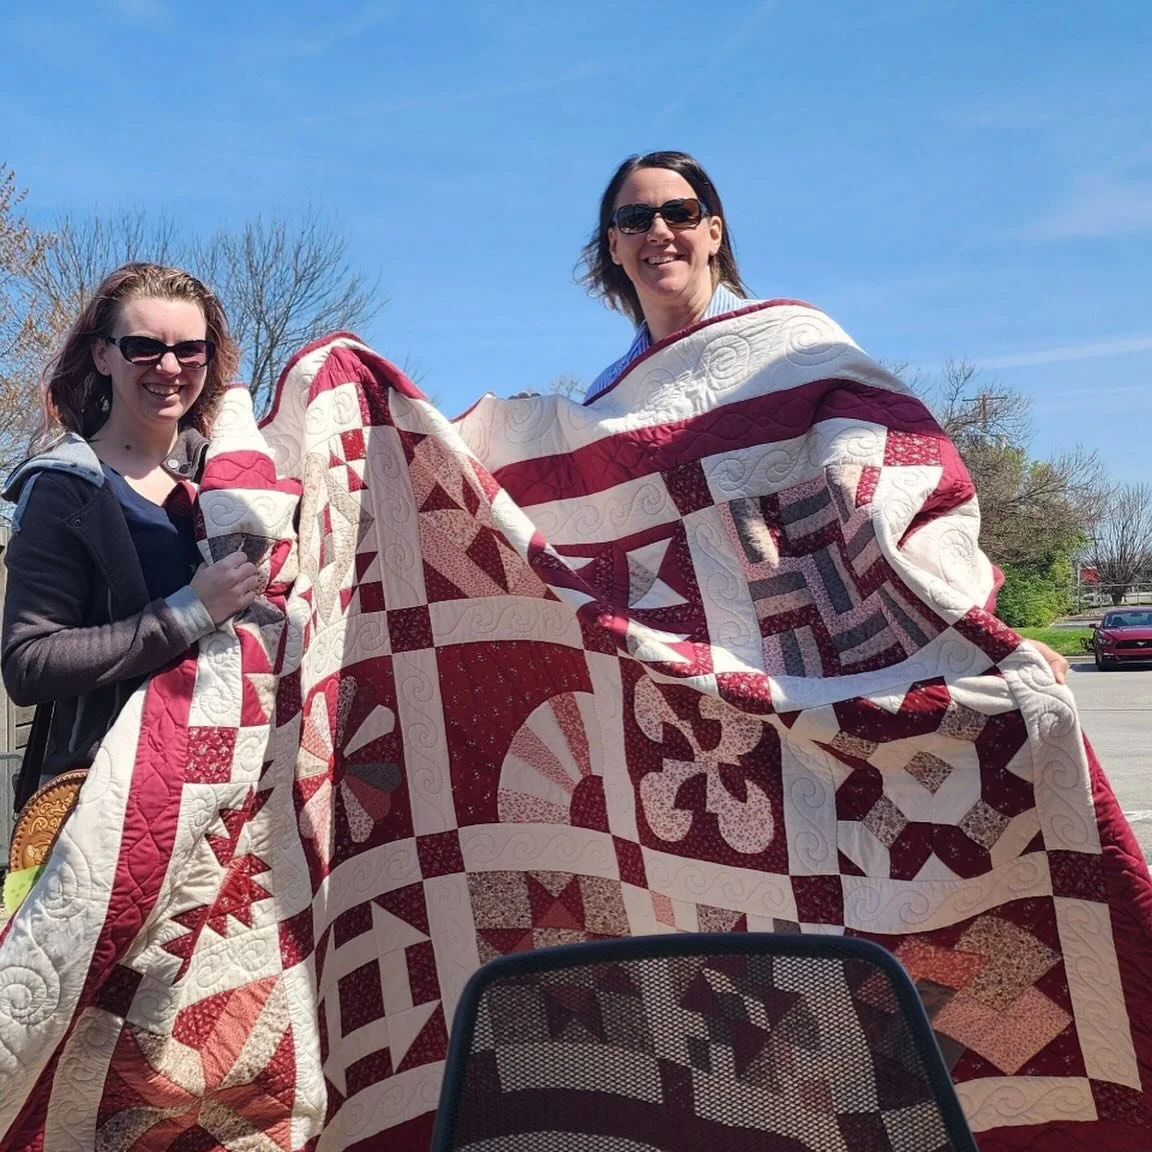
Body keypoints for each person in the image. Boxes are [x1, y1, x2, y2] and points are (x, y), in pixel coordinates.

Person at [578, 150, 1071, 683]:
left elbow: (900, 482)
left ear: (714, 232)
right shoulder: (606, 401)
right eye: (635, 219)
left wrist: (976, 630)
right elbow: (590, 542)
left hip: (826, 638)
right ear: (614, 244)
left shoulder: (794, 346)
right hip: (697, 664)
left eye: (680, 213)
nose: (658, 231)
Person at [2, 262, 261, 797]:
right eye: (143, 347)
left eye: (189, 350)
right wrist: (187, 613)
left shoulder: (236, 478)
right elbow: (29, 663)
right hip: (111, 795)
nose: (169, 367)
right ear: (103, 355)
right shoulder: (65, 488)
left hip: (234, 783)